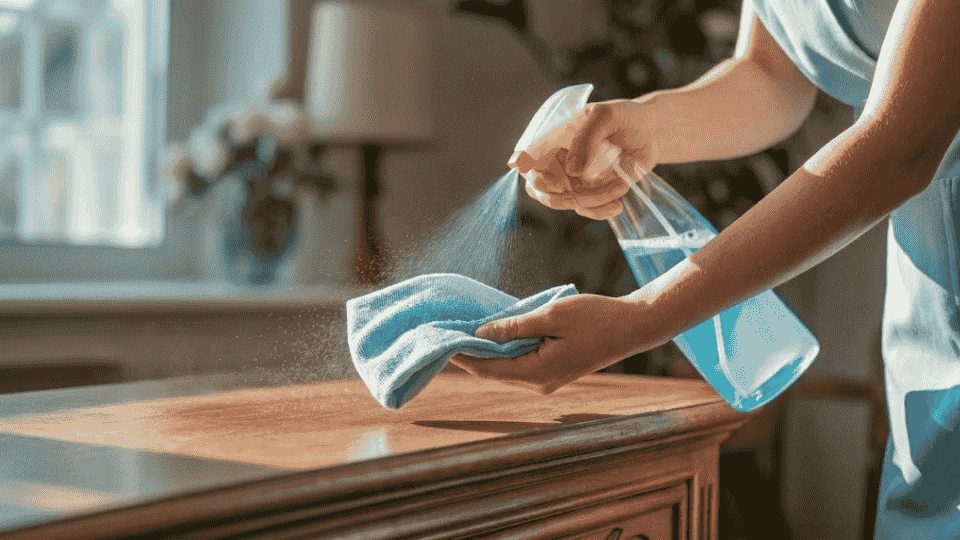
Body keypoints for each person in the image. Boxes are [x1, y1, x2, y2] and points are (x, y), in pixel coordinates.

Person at [450, 0, 960, 537]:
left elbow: (903, 142)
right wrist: (641, 124)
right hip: (929, 277)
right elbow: (770, 74)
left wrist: (641, 318)